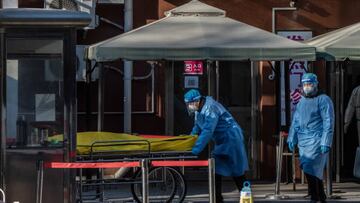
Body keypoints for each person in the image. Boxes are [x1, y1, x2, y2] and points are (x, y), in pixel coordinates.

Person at [184, 89, 249, 203]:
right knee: (216, 171)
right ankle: (217, 199)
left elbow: (208, 130)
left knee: (238, 173)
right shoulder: (199, 110)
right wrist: (187, 142)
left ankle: (247, 199)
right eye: (187, 104)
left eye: (190, 103)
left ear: (197, 101)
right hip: (222, 141)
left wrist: (196, 149)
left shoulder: (210, 108)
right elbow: (197, 128)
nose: (189, 106)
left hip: (232, 138)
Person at [287, 73, 334, 203]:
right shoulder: (302, 101)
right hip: (303, 141)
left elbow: (328, 121)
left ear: (315, 84)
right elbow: (296, 121)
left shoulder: (324, 100)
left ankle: (314, 196)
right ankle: (321, 196)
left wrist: (326, 141)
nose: (307, 87)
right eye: (305, 84)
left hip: (317, 139)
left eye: (309, 84)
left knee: (310, 167)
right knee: (312, 169)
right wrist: (292, 137)